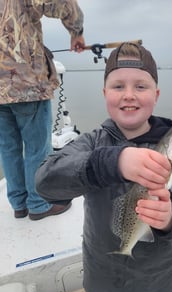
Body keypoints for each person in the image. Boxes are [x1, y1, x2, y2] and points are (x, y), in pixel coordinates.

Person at [35, 42, 172, 292]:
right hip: (105, 282)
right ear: (105, 94)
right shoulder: (92, 145)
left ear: (155, 96)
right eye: (118, 85)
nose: (129, 94)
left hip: (159, 283)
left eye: (140, 86)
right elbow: (44, 183)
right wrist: (111, 162)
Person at [0, 0, 85, 220]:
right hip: (26, 82)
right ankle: (38, 204)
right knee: (37, 148)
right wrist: (76, 32)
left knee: (8, 149)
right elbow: (61, 3)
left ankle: (19, 204)